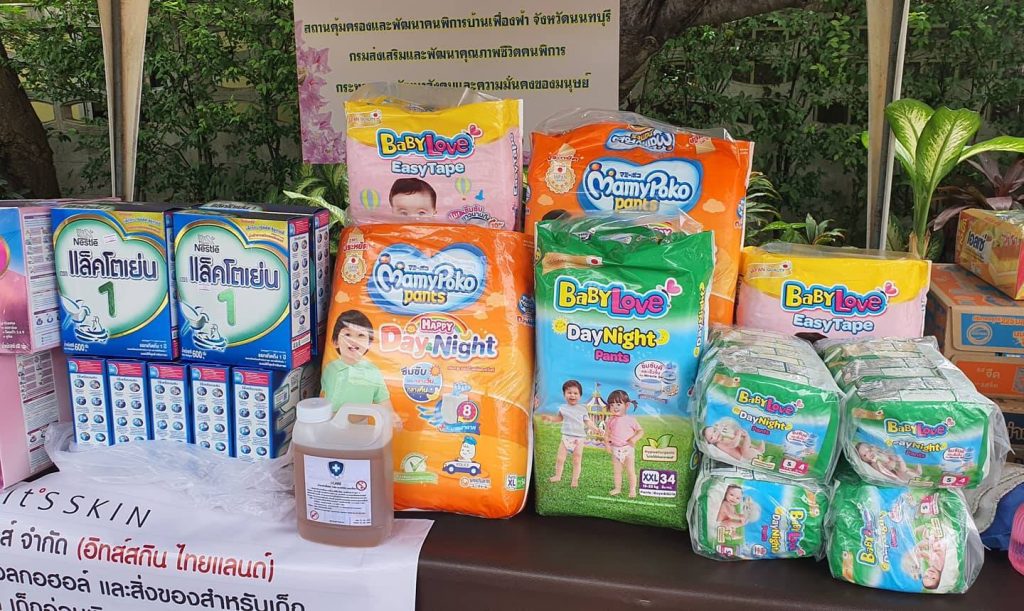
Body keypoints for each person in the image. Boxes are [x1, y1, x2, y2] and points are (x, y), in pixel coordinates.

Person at [321, 310, 392, 411]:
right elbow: (322, 397)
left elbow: (384, 402)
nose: (353, 340)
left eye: (361, 335)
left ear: (369, 343)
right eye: (348, 334)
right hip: (332, 419)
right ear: (336, 341)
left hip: (363, 420)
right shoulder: (330, 369)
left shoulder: (372, 371)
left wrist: (392, 416)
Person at [541, 380, 600, 488]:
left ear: (580, 395)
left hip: (579, 439)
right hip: (566, 437)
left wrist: (595, 429)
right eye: (569, 393)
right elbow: (559, 418)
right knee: (560, 458)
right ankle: (558, 476)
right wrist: (550, 418)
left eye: (575, 393)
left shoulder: (582, 408)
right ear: (564, 394)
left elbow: (587, 421)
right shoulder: (563, 408)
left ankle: (575, 480)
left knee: (577, 460)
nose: (572, 395)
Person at [604, 389, 644, 497]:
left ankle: (632, 490)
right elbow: (606, 434)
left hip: (628, 449)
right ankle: (617, 488)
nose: (615, 407)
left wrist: (634, 439)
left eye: (618, 404)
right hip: (615, 449)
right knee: (617, 471)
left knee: (630, 471)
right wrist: (607, 445)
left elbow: (641, 431)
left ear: (627, 405)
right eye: (612, 405)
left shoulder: (631, 419)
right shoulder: (610, 420)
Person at [856, 442, 922, 483]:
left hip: (895, 469)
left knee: (902, 465)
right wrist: (892, 461)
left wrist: (891, 457)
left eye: (869, 450)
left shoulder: (877, 454)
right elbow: (887, 468)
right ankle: (916, 475)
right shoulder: (874, 463)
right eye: (864, 455)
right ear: (863, 459)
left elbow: (887, 455)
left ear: (871, 448)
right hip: (896, 476)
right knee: (903, 470)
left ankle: (915, 472)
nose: (868, 454)